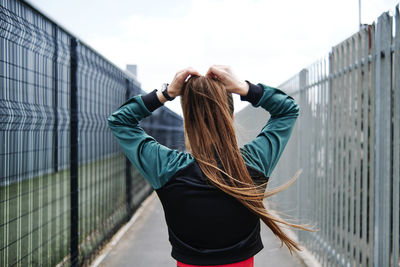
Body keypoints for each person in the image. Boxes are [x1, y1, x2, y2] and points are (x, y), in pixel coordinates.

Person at [107, 65, 313, 267]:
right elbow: (287, 109)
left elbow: (120, 121)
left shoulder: (166, 168)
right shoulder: (253, 162)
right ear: (231, 119)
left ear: (187, 122)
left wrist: (167, 93)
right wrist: (244, 88)